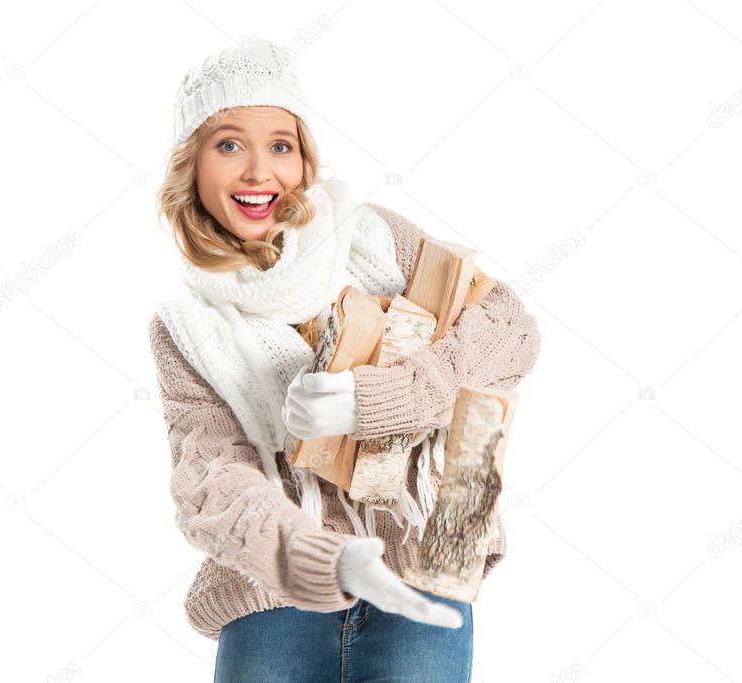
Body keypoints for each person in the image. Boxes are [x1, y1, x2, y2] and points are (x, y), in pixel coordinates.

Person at [149, 35, 541, 681]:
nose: (258, 172)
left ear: (304, 158)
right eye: (228, 144)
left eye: (281, 144)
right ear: (191, 163)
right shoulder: (184, 324)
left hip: (424, 559)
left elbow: (510, 332)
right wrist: (320, 558)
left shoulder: (370, 238)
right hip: (273, 586)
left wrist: (378, 398)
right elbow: (211, 479)